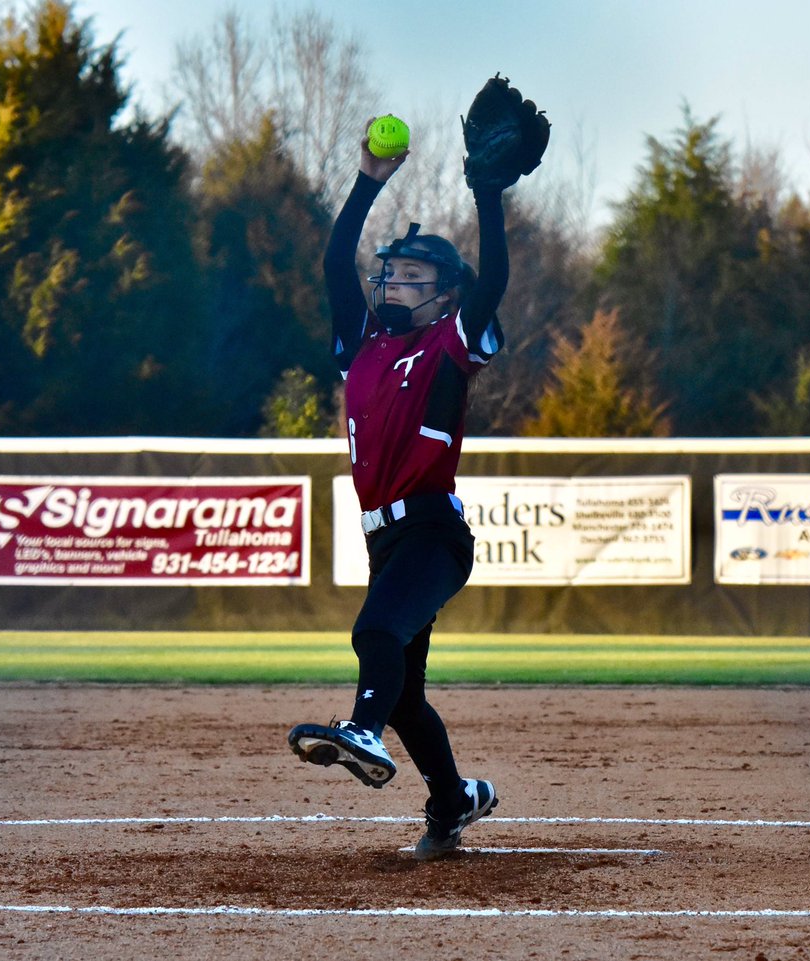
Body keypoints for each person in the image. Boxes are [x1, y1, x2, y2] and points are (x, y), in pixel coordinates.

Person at [287, 117, 511, 861]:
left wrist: (487, 191)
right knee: (407, 692)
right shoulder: (364, 348)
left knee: (375, 634)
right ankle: (452, 804)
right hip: (384, 538)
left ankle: (360, 730)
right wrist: (367, 181)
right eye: (390, 271)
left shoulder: (449, 344)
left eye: (412, 277)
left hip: (434, 535)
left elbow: (497, 280)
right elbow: (331, 263)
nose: (391, 282)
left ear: (446, 296)